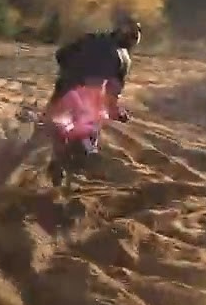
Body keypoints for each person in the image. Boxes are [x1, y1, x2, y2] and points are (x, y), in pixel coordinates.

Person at [44, 18, 142, 185]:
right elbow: (112, 93)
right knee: (91, 125)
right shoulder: (123, 58)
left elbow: (60, 55)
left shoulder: (89, 38)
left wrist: (69, 70)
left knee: (49, 118)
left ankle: (52, 153)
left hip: (64, 86)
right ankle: (84, 157)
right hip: (87, 95)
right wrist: (117, 113)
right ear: (132, 41)